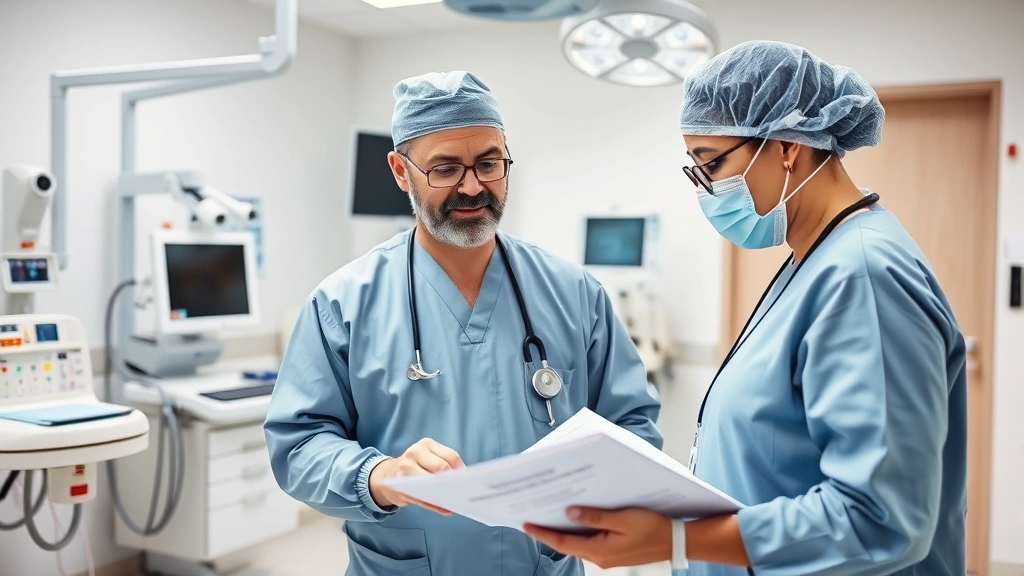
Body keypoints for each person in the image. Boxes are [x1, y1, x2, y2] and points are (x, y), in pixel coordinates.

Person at [525, 40, 967, 576]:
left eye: (711, 163)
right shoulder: (813, 259)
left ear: (785, 145)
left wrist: (681, 537)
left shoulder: (864, 275)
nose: (707, 188)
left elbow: (881, 519)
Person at [263, 70, 663, 576]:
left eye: (489, 163)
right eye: (446, 169)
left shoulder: (573, 293)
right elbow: (298, 446)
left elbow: (632, 425)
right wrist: (379, 474)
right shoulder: (342, 304)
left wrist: (604, 490)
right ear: (400, 171)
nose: (473, 187)